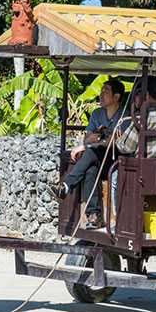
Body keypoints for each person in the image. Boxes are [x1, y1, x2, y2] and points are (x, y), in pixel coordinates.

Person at [52, 79, 126, 228]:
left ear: (116, 97)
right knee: (90, 169)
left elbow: (117, 141)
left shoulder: (124, 114)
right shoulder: (97, 113)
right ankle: (93, 216)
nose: (101, 94)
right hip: (98, 158)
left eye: (105, 91)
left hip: (116, 161)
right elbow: (87, 138)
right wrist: (99, 138)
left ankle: (66, 185)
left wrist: (96, 139)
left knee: (91, 151)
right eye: (101, 90)